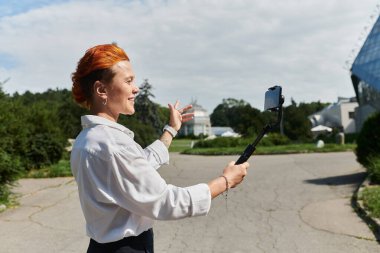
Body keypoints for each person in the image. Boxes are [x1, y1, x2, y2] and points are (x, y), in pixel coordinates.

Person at [70, 43, 249, 253]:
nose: (135, 88)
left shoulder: (87, 139)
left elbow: (138, 168)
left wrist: (171, 129)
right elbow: (166, 202)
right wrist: (226, 181)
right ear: (101, 89)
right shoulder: (112, 144)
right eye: (128, 81)